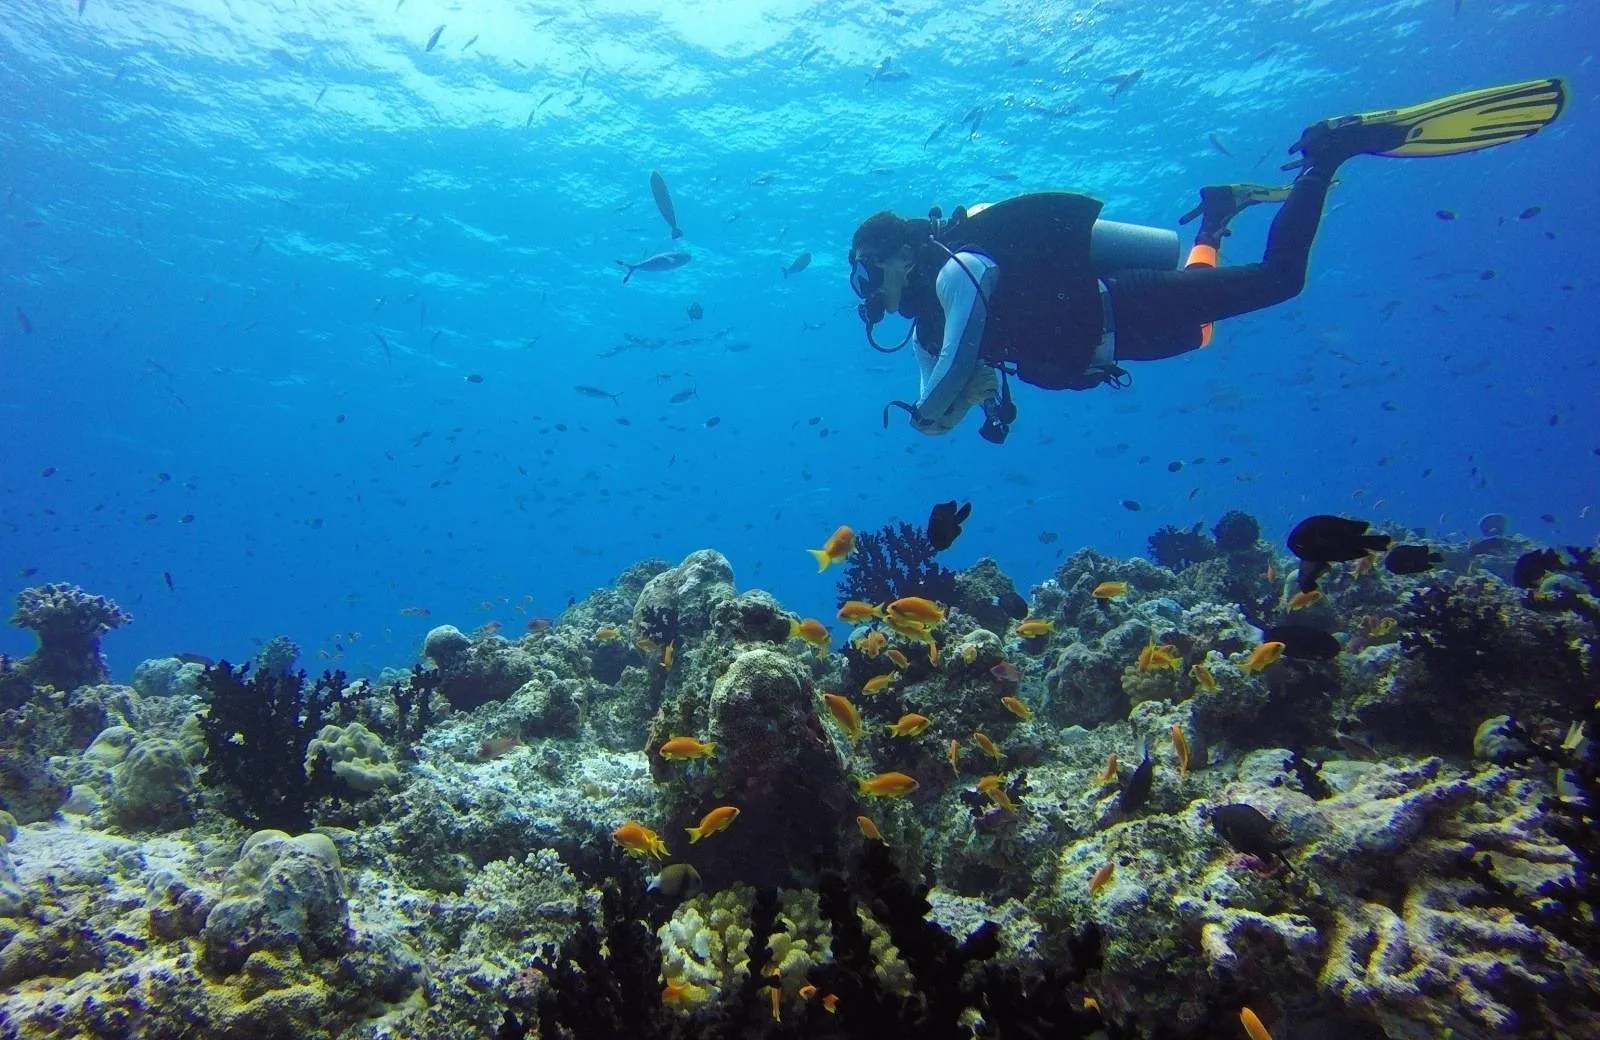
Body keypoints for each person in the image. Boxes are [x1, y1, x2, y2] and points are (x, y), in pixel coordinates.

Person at [847, 78, 1567, 443]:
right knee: (1201, 331)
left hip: (1126, 303)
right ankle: (1218, 214)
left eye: (865, 271)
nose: (865, 290)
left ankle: (1327, 153)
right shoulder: (927, 322)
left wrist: (939, 403)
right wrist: (937, 404)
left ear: (900, 253)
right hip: (1121, 340)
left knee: (1280, 281)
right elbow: (935, 406)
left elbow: (948, 377)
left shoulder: (959, 270)